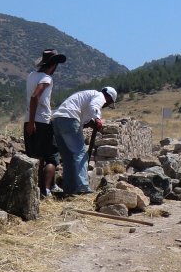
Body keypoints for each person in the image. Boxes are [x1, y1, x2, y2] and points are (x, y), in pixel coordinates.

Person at [51, 86, 117, 194]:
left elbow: (82, 116)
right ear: (108, 98)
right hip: (69, 119)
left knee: (68, 157)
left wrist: (89, 122)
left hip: (57, 121)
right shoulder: (99, 96)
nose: (105, 105)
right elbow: (94, 105)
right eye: (108, 103)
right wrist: (97, 118)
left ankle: (69, 189)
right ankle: (82, 188)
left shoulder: (86, 95)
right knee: (80, 153)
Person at [24, 49, 66, 197]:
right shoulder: (46, 79)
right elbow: (35, 97)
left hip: (29, 119)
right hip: (42, 121)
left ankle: (32, 190)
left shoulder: (31, 76)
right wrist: (32, 122)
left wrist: (29, 121)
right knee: (51, 157)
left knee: (35, 156)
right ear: (53, 65)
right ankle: (46, 190)